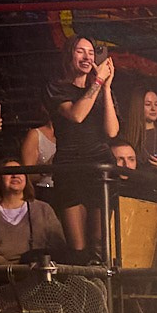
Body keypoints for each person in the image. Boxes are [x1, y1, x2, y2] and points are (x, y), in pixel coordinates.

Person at [49, 37, 119, 254]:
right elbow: (76, 115)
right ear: (69, 55)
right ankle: (79, 286)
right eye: (80, 51)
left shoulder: (100, 91)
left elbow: (112, 131)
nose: (87, 57)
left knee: (99, 244)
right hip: (70, 169)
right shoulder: (57, 88)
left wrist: (106, 88)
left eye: (91, 52)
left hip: (99, 166)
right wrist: (97, 83)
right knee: (77, 247)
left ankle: (101, 287)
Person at [0, 168, 69, 266]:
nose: (15, 175)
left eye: (19, 172)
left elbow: (59, 247)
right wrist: (10, 267)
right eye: (9, 172)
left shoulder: (43, 209)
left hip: (37, 274)